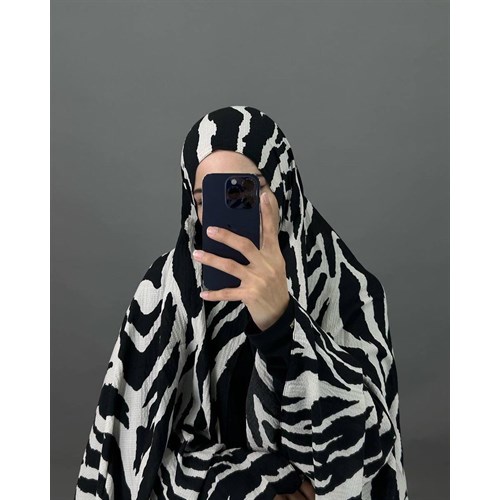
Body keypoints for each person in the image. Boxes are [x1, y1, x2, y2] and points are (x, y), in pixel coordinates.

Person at [74, 105, 409, 500]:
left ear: (282, 186)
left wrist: (281, 322)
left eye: (243, 191)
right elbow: (130, 452)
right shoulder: (164, 292)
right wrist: (251, 481)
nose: (221, 216)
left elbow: (365, 453)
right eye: (205, 200)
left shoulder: (348, 288)